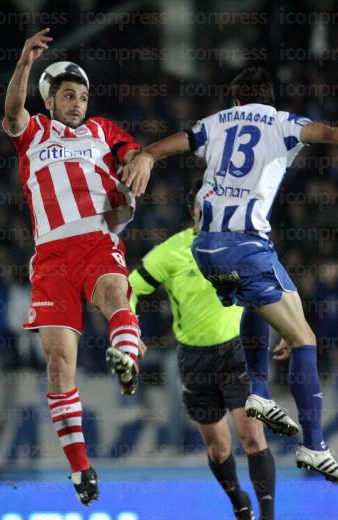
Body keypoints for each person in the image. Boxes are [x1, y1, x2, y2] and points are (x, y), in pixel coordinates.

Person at [121, 66, 338, 484]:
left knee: (273, 301)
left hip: (205, 247)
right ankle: (314, 444)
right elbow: (330, 134)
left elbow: (176, 144)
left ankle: (257, 389)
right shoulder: (281, 122)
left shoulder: (216, 122)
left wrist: (146, 153)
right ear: (267, 99)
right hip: (246, 244)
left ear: (235, 100)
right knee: (303, 338)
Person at [3, 29, 152, 505]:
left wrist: (141, 160)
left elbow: (132, 153)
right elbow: (11, 114)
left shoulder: (102, 130)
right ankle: (81, 470)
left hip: (95, 238)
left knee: (114, 293)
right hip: (50, 257)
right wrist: (24, 62)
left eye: (83, 96)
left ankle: (126, 358)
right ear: (49, 99)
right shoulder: (34, 133)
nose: (78, 103)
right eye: (69, 95)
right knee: (59, 364)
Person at [129, 185, 275, 520]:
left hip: (237, 352)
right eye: (204, 209)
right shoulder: (172, 251)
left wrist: (288, 331)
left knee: (252, 437)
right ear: (195, 212)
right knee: (219, 447)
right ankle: (238, 499)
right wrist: (128, 330)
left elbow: (271, 287)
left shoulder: (240, 243)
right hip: (195, 359)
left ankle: (268, 514)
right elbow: (130, 287)